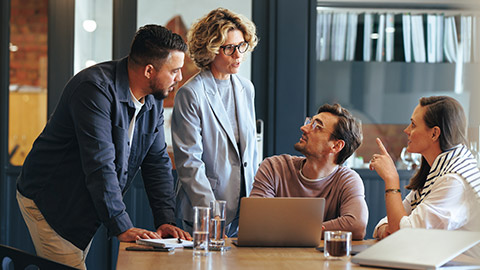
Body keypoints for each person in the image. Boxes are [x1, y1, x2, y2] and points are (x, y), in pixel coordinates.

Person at [16, 25, 191, 269]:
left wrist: (165, 220)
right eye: (175, 70)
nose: (180, 78)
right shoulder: (93, 89)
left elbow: (157, 161)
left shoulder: (153, 99)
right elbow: (100, 162)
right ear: (149, 70)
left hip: (84, 199)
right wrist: (122, 226)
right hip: (51, 199)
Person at [172, 8, 258, 237]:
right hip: (205, 211)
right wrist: (212, 213)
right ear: (210, 50)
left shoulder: (246, 88)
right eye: (229, 48)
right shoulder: (191, 93)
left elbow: (251, 152)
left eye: (241, 46)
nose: (238, 54)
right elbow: (189, 162)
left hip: (245, 210)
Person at [370, 96, 480, 258]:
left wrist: (391, 178)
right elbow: (394, 220)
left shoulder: (454, 180)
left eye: (413, 125)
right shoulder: (438, 170)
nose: (406, 130)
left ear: (434, 133)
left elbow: (405, 236)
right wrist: (386, 228)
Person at [250, 103, 368, 240]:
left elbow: (357, 225)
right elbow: (255, 221)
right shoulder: (274, 167)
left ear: (336, 146)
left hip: (323, 260)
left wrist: (290, 231)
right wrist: (311, 230)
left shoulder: (348, 180)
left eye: (317, 127)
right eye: (309, 122)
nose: (304, 128)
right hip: (274, 258)